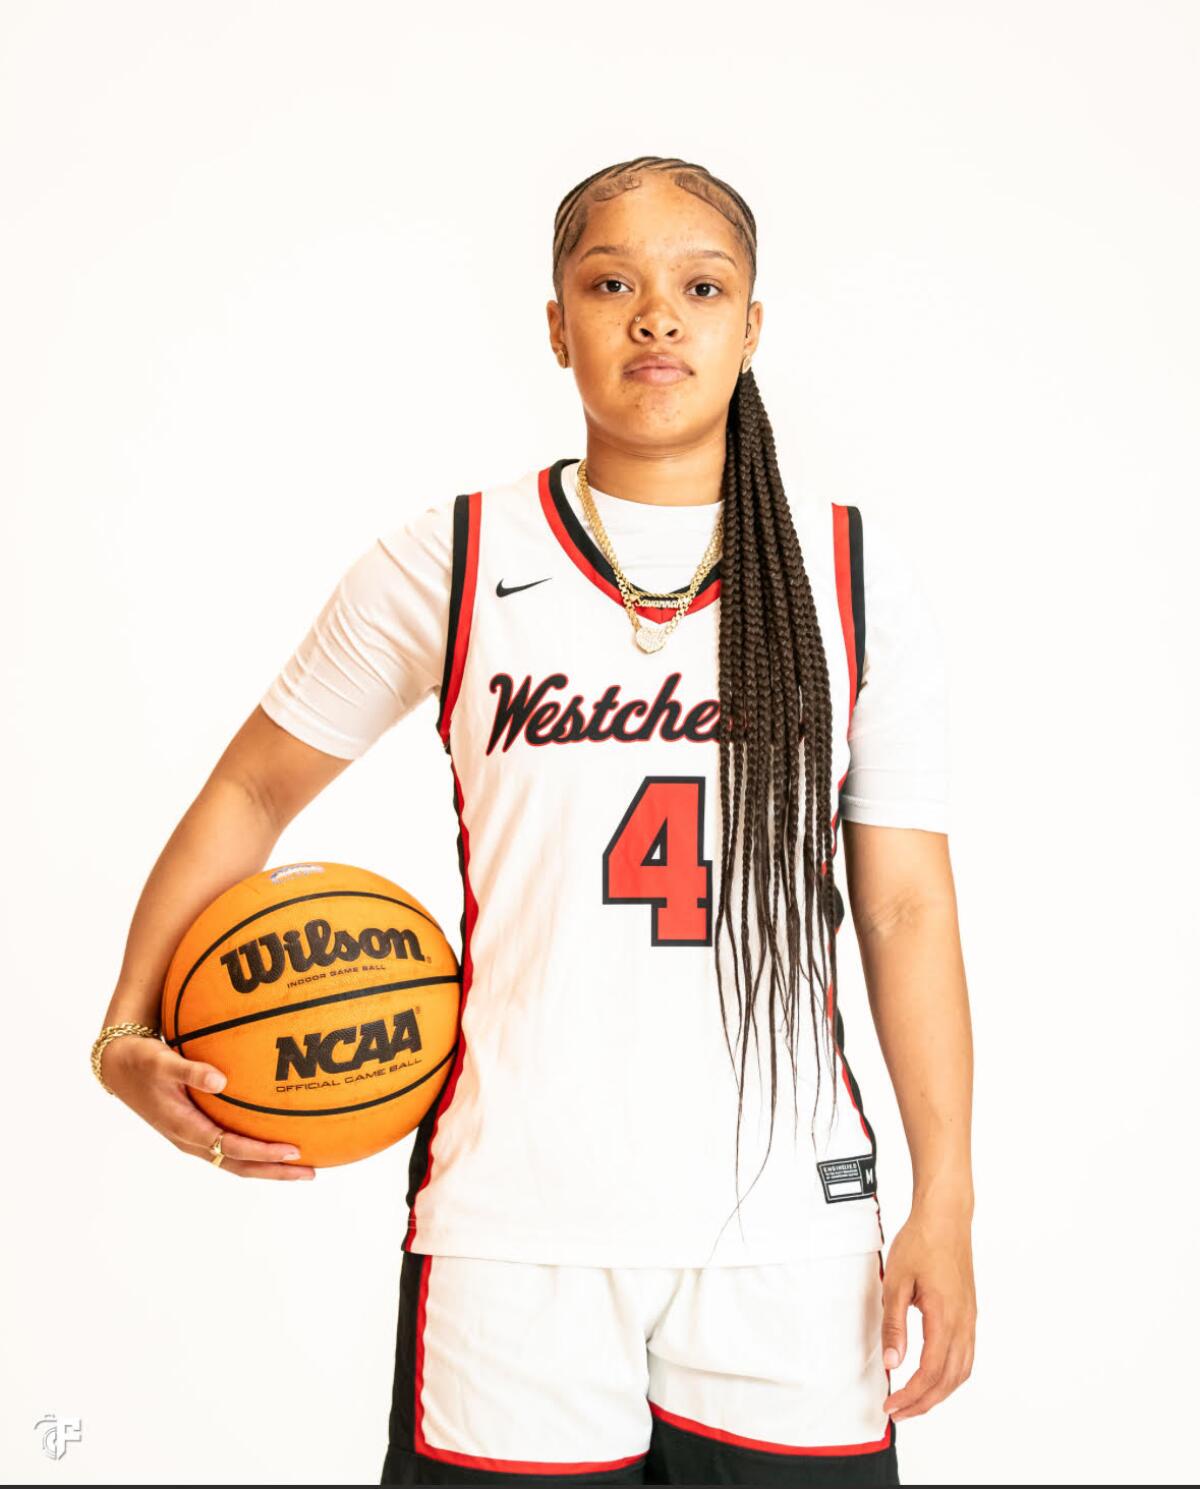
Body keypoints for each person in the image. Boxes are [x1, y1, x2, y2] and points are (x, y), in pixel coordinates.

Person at [92, 156, 975, 1487]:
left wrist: (946, 1193)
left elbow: (906, 904)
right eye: (609, 282)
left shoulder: (845, 574)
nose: (656, 317)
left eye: (700, 286)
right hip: (512, 1230)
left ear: (751, 325)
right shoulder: (449, 558)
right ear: (555, 322)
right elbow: (251, 788)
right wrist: (125, 1026)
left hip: (792, 1230)